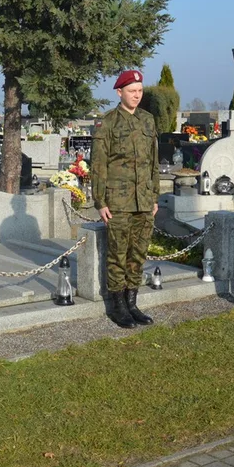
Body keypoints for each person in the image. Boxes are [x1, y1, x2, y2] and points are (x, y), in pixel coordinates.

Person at [91, 69, 159, 329]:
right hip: (118, 202)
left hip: (144, 201)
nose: (137, 96)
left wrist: (154, 196)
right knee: (118, 254)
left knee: (138, 253)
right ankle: (118, 307)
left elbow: (153, 162)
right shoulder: (108, 122)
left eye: (140, 91)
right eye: (132, 91)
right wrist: (100, 201)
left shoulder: (148, 120)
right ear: (119, 92)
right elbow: (98, 165)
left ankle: (132, 304)